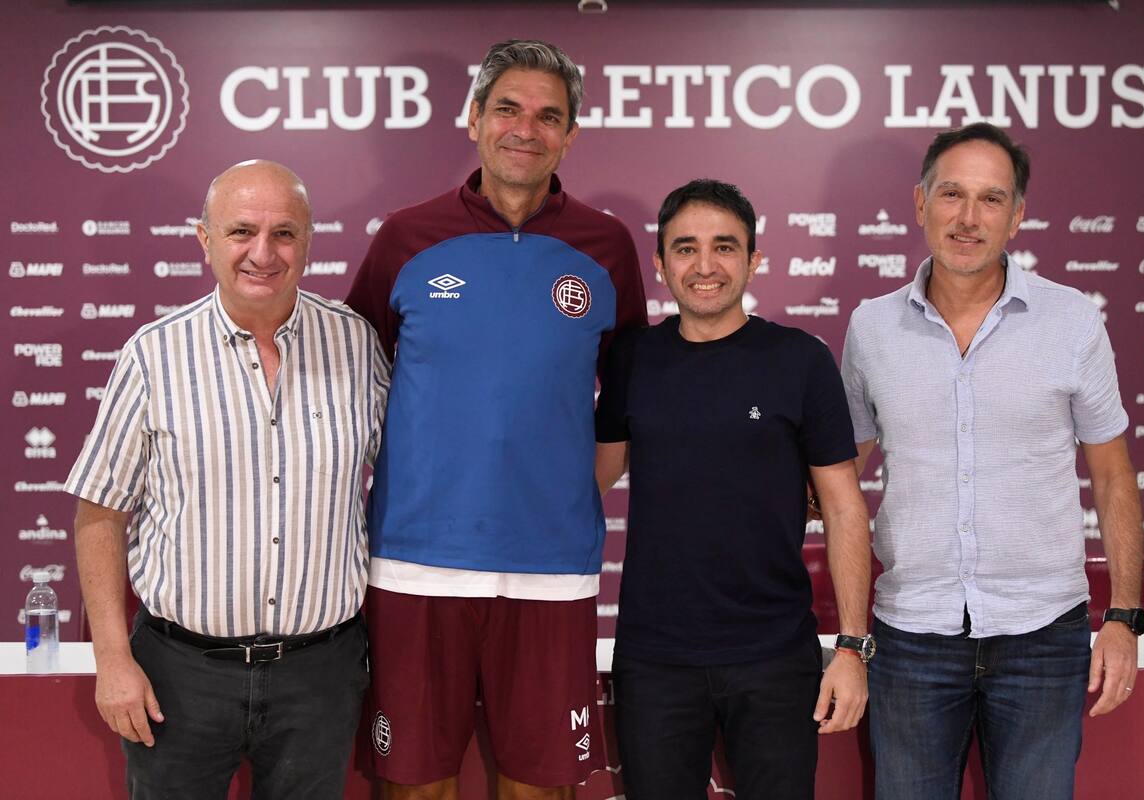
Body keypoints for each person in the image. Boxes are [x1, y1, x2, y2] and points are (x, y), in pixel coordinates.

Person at [345, 39, 646, 800]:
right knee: (414, 785)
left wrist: (564, 490)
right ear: (475, 118)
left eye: (549, 116)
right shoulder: (407, 238)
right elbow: (352, 383)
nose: (526, 128)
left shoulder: (607, 247)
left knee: (541, 788)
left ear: (571, 134)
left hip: (552, 571)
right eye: (507, 108)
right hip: (415, 565)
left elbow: (632, 398)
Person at [841, 122, 1144, 800]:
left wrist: (1124, 619)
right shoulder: (871, 328)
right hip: (912, 636)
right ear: (919, 202)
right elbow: (841, 471)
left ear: (1018, 217)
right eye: (952, 194)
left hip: (1044, 635)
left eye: (990, 199)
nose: (968, 218)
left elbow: (1114, 475)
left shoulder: (1071, 321)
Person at [66, 160, 389, 799]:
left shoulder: (356, 344)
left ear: (310, 240)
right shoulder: (153, 355)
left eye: (285, 234)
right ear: (204, 239)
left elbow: (414, 476)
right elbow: (99, 513)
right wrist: (112, 661)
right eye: (241, 231)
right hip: (179, 675)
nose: (263, 253)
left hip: (319, 676)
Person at [594, 179, 873, 800]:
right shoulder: (633, 359)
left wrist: (852, 648)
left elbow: (844, 507)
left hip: (775, 657)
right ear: (661, 264)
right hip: (655, 660)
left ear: (754, 258)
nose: (705, 266)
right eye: (685, 248)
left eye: (724, 247)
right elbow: (593, 477)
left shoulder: (800, 360)